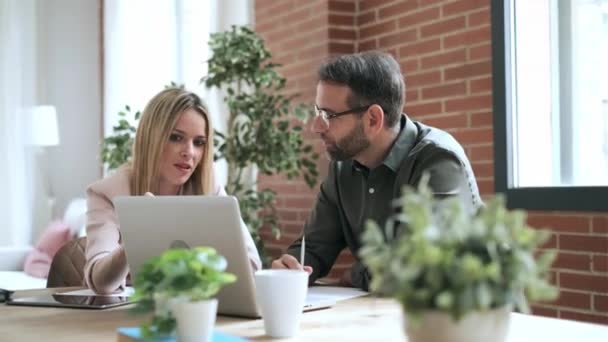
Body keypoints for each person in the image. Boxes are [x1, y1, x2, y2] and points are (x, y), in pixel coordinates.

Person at [271, 51, 481, 290]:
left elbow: (417, 268)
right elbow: (316, 247)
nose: (316, 126)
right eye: (318, 112)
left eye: (328, 115)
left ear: (373, 119)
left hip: (458, 318)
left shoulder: (439, 160)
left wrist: (356, 275)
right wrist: (291, 268)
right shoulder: (341, 168)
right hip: (384, 314)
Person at [84, 88, 261, 294]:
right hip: (129, 317)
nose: (190, 152)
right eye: (176, 138)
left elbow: (252, 266)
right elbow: (100, 282)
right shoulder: (108, 192)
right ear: (152, 138)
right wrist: (135, 238)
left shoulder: (209, 188)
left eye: (199, 142)